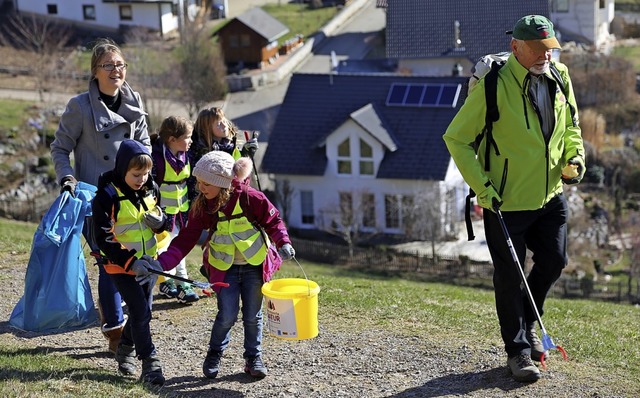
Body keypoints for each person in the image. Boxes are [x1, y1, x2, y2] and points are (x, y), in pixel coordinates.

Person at [443, 15, 585, 383]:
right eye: (536, 49)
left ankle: (527, 317)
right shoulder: (493, 86)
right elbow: (456, 138)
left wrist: (576, 158)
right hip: (504, 201)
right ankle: (519, 350)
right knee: (509, 276)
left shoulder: (559, 76)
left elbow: (571, 125)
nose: (544, 56)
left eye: (548, 49)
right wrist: (483, 188)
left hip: (550, 194)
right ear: (515, 47)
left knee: (554, 259)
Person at [154, 151, 295, 379]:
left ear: (223, 183)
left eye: (206, 183)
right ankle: (214, 353)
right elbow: (186, 238)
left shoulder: (251, 198)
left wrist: (283, 242)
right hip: (224, 268)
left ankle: (253, 357)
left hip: (254, 265)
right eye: (198, 182)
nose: (201, 188)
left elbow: (274, 220)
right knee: (227, 315)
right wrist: (163, 263)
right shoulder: (202, 205)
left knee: (253, 315)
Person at [50, 37, 150, 354]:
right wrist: (68, 177)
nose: (116, 70)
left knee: (131, 262)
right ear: (95, 71)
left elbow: (146, 146)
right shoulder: (79, 107)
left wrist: (149, 180)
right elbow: (60, 147)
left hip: (132, 201)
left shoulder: (135, 99)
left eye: (120, 64)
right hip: (96, 200)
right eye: (108, 65)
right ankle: (115, 333)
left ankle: (127, 325)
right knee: (110, 263)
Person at [92, 139, 166, 386]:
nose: (142, 179)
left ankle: (124, 348)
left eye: (146, 174)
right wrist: (130, 262)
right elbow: (103, 239)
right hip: (120, 266)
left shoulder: (151, 188)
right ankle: (150, 363)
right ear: (123, 168)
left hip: (149, 264)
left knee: (142, 312)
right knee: (141, 311)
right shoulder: (107, 196)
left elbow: (161, 215)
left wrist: (161, 221)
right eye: (136, 174)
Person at [150, 116, 199, 304]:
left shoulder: (187, 155)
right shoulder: (156, 158)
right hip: (163, 212)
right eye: (187, 137)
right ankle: (167, 281)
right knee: (165, 246)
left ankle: (181, 282)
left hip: (182, 209)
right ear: (172, 139)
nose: (191, 141)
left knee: (179, 244)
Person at [187, 107, 258, 202]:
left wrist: (246, 154)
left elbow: (238, 177)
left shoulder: (231, 146)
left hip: (228, 200)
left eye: (224, 120)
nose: (224, 125)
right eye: (218, 124)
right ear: (207, 129)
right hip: (207, 203)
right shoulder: (199, 152)